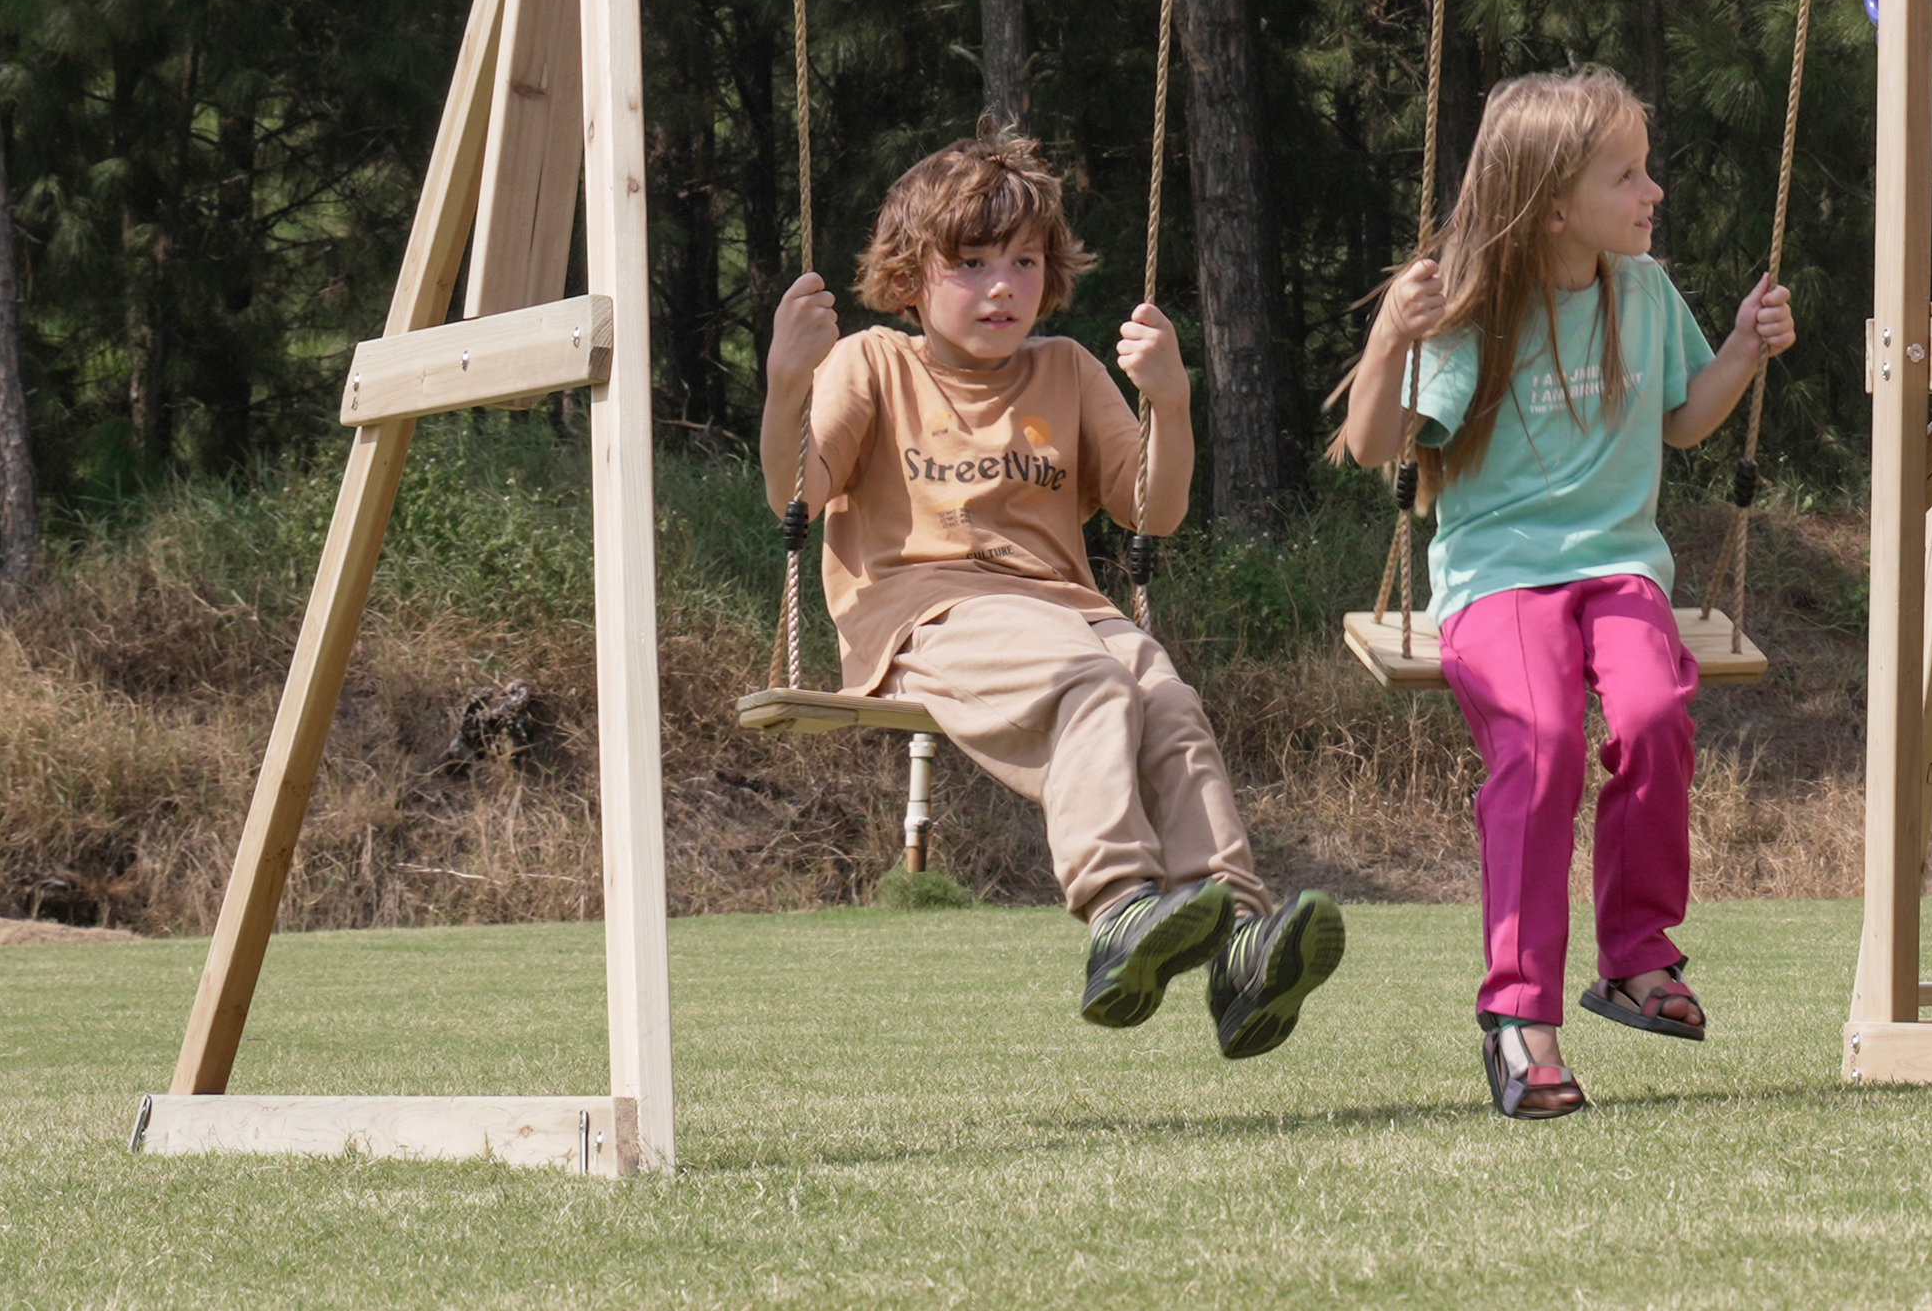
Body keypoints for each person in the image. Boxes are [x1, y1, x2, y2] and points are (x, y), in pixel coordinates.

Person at [762, 129, 1343, 1058]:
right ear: (911, 276)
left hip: (1070, 610)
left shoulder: (1068, 368)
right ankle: (1120, 907)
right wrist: (788, 381)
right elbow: (797, 492)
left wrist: (1173, 400)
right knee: (1094, 680)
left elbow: (1154, 510)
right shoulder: (873, 362)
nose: (1003, 285)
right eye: (973, 263)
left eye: (1024, 261)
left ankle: (1237, 937)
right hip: (928, 612)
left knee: (1168, 701)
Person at [1334, 67, 1798, 1121]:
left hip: (1618, 567)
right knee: (1540, 746)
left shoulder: (1641, 291)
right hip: (1496, 575)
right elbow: (1372, 447)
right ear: (1551, 203)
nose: (1654, 192)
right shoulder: (1474, 311)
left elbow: (1683, 422)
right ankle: (1517, 1017)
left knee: (1650, 710)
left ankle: (1634, 957)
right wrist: (1390, 337)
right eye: (1626, 174)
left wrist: (1738, 349)